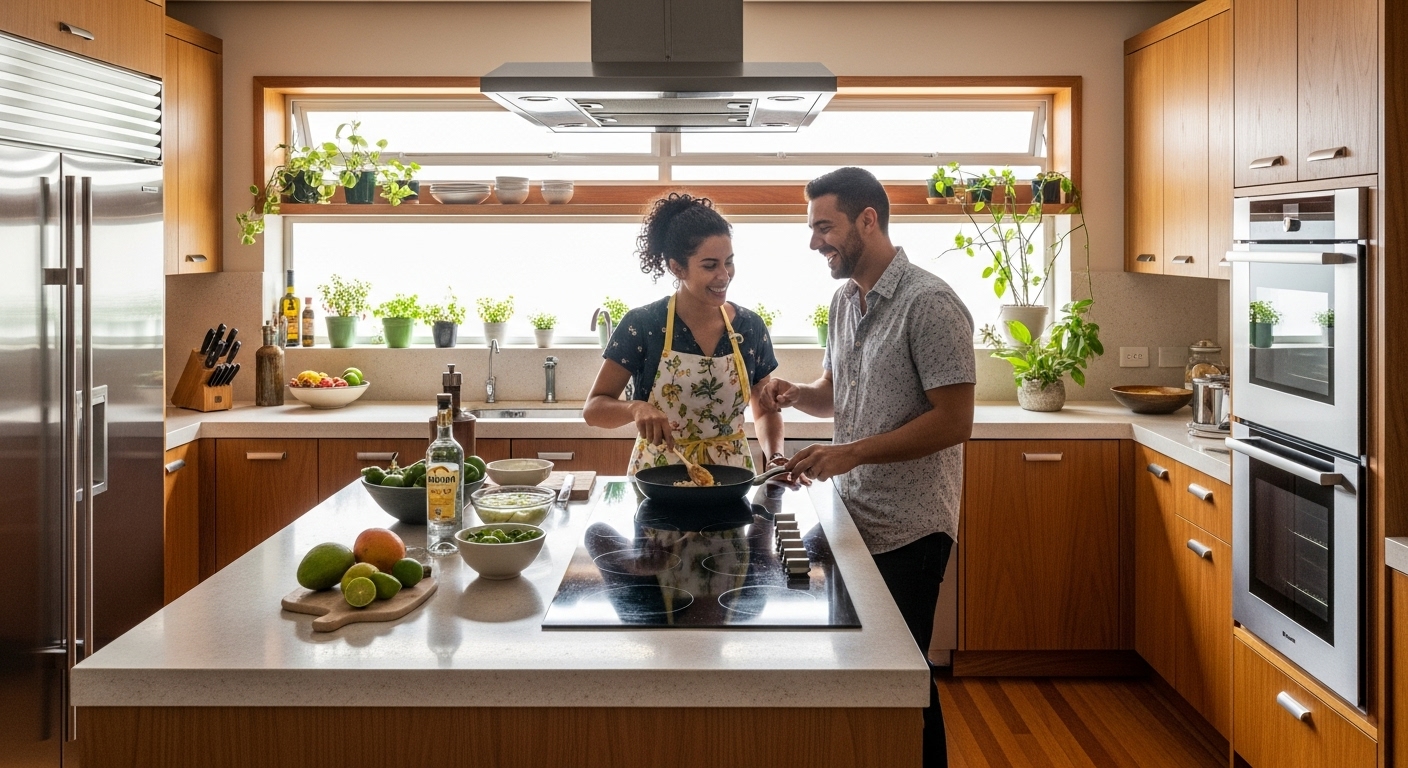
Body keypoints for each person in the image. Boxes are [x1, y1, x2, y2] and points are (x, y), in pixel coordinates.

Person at [756, 167, 976, 767]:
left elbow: (955, 422)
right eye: (811, 228)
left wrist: (848, 452)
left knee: (905, 677)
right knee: (861, 671)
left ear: (868, 220)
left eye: (823, 227)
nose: (813, 242)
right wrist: (797, 394)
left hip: (910, 525)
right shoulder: (843, 300)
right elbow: (840, 392)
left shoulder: (929, 304)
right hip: (855, 515)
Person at [583, 192, 788, 476]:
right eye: (710, 265)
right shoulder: (643, 324)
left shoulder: (749, 327)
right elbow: (593, 410)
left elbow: (764, 408)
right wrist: (635, 409)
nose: (724, 275)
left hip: (730, 479)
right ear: (677, 267)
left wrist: (776, 456)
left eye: (728, 261)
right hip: (658, 478)